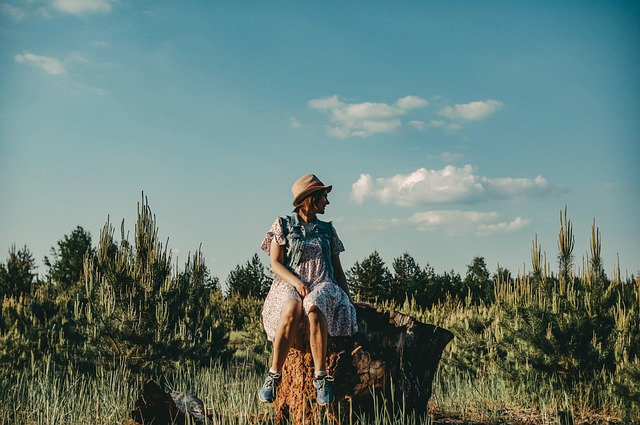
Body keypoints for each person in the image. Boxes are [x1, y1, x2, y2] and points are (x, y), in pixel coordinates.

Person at [258, 174, 358, 406]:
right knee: (292, 309)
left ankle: (320, 376)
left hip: (322, 281)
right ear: (310, 198)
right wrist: (296, 282)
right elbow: (275, 263)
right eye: (324, 196)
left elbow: (338, 269)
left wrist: (349, 299)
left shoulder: (327, 229)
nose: (327, 201)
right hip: (290, 281)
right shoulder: (282, 224)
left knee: (314, 306)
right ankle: (274, 375)